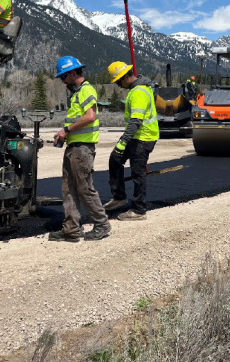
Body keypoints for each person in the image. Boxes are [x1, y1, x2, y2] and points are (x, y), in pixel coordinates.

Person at [49, 56, 111, 242]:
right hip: (73, 147)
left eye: (64, 76)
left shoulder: (86, 90)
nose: (62, 80)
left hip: (83, 150)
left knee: (84, 188)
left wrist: (66, 129)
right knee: (68, 189)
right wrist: (65, 135)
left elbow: (90, 116)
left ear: (73, 73)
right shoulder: (76, 94)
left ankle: (101, 224)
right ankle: (71, 229)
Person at [103, 61, 159, 221]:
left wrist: (122, 142)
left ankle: (139, 210)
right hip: (136, 136)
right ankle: (119, 196)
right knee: (115, 159)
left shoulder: (138, 92)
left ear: (126, 76)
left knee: (137, 171)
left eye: (119, 81)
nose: (119, 85)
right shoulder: (137, 89)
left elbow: (136, 121)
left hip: (144, 137)